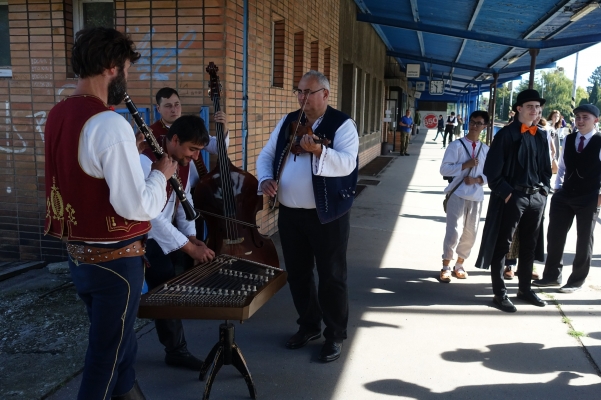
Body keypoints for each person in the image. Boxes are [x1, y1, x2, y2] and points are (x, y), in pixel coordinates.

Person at [44, 27, 178, 400]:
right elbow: (137, 206)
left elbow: (87, 170)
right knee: (107, 357)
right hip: (115, 266)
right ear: (109, 67)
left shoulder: (58, 114)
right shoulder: (109, 123)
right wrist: (160, 174)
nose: (127, 79)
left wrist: (128, 153)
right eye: (126, 70)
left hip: (82, 259)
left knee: (121, 352)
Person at [256, 70, 358, 363]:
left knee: (332, 277)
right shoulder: (289, 121)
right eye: (299, 92)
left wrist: (317, 151)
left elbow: (348, 163)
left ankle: (335, 335)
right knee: (298, 275)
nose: (302, 98)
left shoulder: (342, 124)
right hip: (290, 214)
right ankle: (309, 325)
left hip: (328, 216)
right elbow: (266, 155)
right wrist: (265, 179)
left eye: (308, 92)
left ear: (325, 94)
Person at [142, 115, 217, 371]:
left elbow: (184, 202)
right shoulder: (146, 160)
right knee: (161, 285)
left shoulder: (183, 160)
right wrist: (188, 246)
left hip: (165, 237)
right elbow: (151, 217)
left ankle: (175, 349)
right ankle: (175, 350)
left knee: (167, 289)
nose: (196, 156)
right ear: (174, 140)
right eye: (192, 149)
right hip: (143, 238)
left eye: (199, 150)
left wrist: (192, 236)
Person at [475, 89, 552, 313]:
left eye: (538, 107)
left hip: (535, 196)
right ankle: (499, 293)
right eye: (530, 106)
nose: (535, 111)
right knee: (503, 245)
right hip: (513, 196)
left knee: (530, 244)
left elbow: (546, 169)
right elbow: (491, 170)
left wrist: (544, 191)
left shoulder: (541, 135)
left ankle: (525, 289)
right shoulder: (505, 135)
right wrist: (508, 193)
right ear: (519, 109)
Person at [533, 104, 601, 293]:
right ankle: (552, 276)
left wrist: (599, 195)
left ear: (596, 119)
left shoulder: (599, 141)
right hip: (565, 194)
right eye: (578, 117)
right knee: (555, 236)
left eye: (585, 117)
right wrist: (558, 188)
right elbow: (562, 166)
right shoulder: (570, 139)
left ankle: (576, 280)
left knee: (584, 239)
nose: (580, 121)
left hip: (589, 196)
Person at [439, 111, 490, 282]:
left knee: (471, 232)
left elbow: (492, 174)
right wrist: (464, 165)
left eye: (479, 123)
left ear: (485, 126)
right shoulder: (457, 146)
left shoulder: (486, 150)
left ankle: (460, 264)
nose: (475, 126)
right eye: (473, 122)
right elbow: (444, 169)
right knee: (452, 230)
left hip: (476, 196)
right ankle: (446, 265)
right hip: (458, 193)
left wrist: (478, 179)